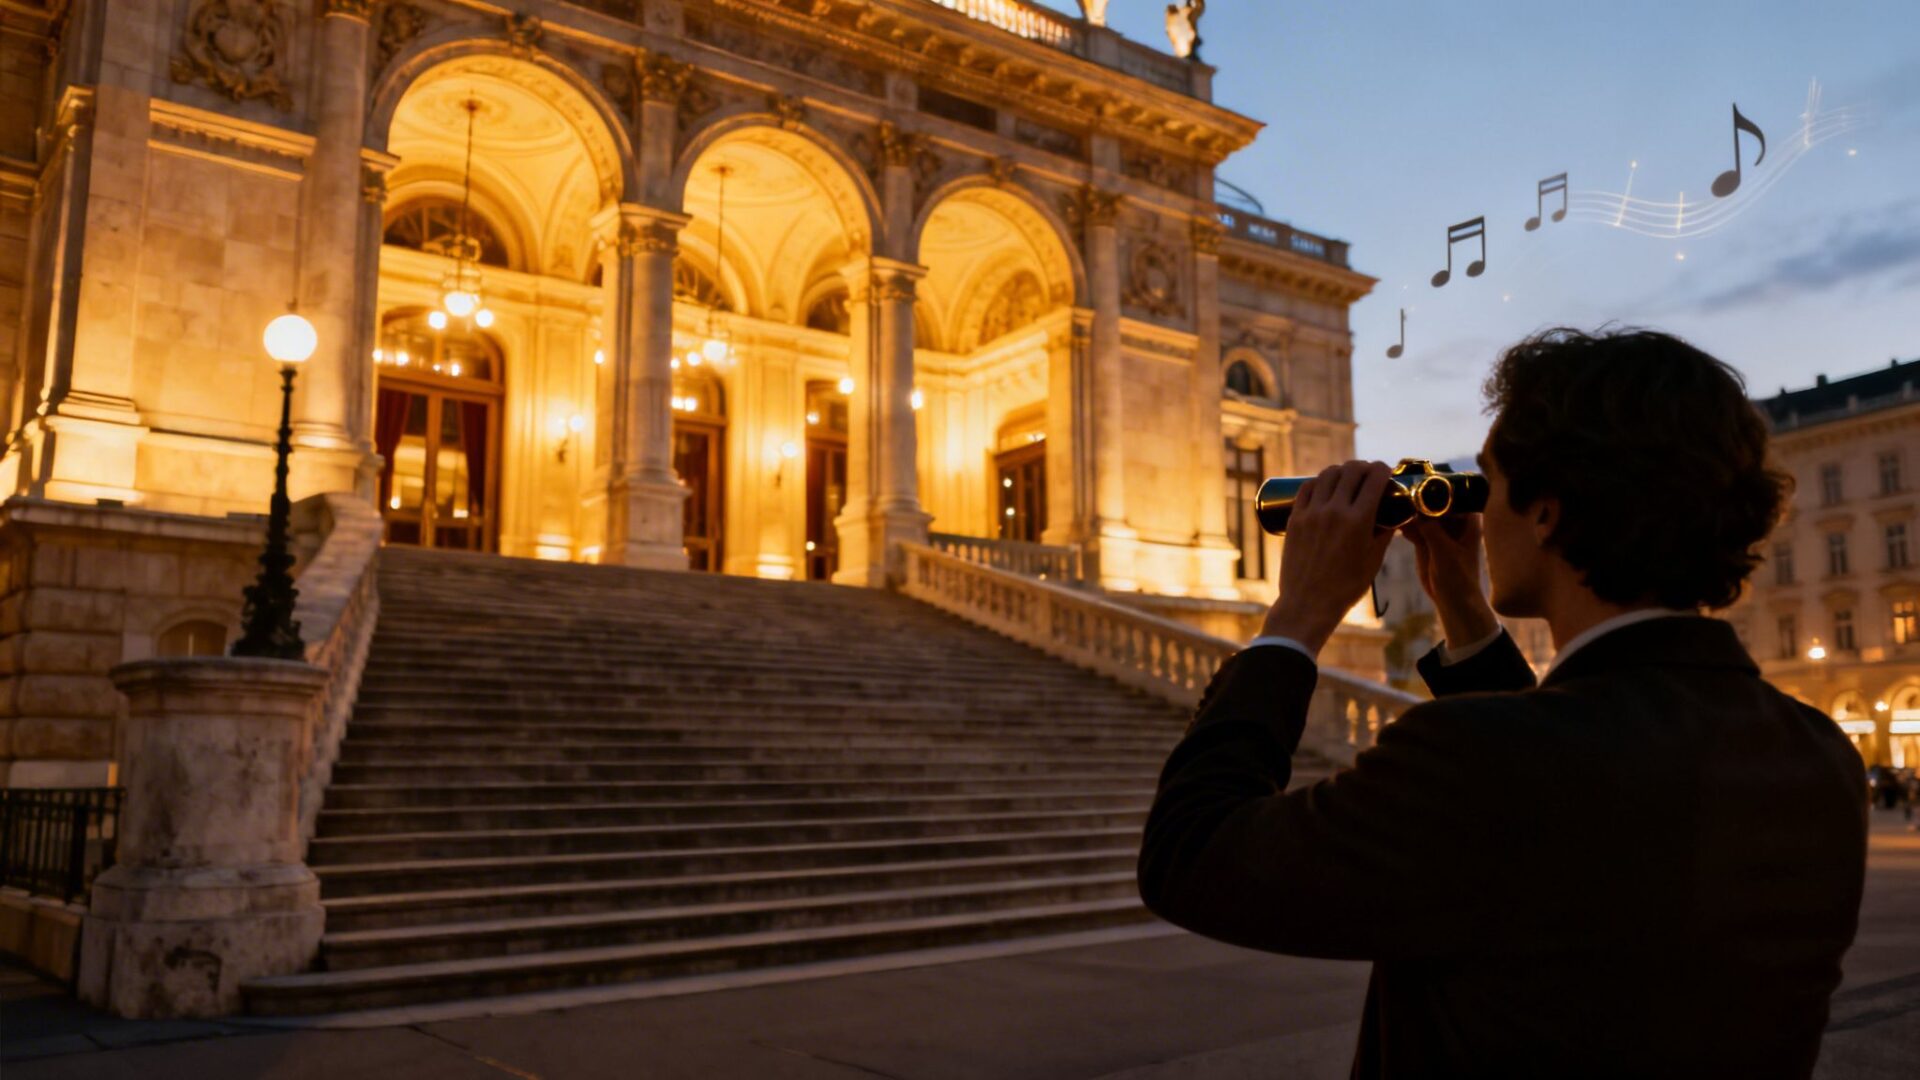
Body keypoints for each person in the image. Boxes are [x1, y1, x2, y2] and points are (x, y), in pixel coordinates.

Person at [1138, 328, 1867, 1078]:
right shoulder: (1817, 754)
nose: (1481, 516)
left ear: (1546, 512)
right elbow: (1572, 796)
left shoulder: (1480, 760)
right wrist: (1462, 602)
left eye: (1486, 481)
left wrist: (1296, 620)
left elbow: (1190, 856)